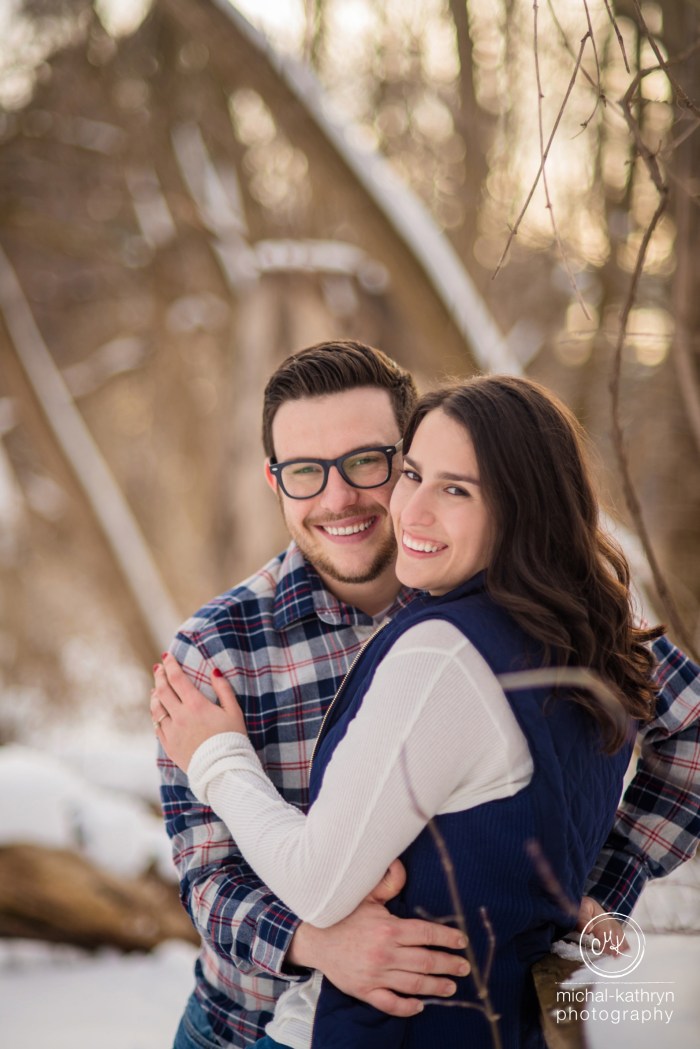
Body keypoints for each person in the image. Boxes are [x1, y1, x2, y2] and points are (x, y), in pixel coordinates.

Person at [155, 341, 700, 1049]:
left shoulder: (538, 601)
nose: (339, 497)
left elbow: (689, 721)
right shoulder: (220, 647)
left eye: (368, 461)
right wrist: (318, 943)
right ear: (273, 480)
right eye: (304, 473)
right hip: (242, 1025)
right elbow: (206, 872)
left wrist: (593, 894)